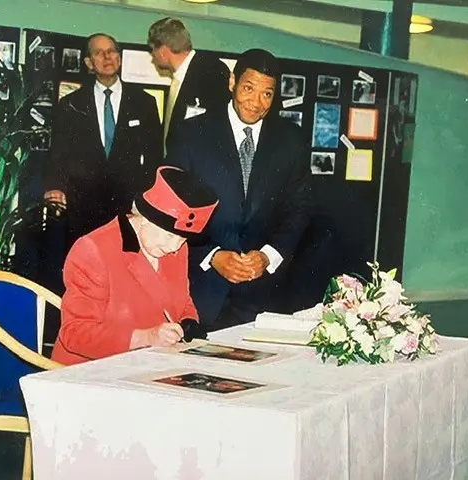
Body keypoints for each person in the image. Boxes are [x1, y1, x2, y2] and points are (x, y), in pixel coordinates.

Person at [165, 48, 312, 331]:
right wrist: (212, 255)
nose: (256, 103)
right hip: (200, 288)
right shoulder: (190, 134)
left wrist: (269, 255)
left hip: (264, 295)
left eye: (267, 94)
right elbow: (173, 208)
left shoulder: (290, 140)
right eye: (248, 88)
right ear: (232, 82)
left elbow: (300, 208)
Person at [52, 166, 219, 365]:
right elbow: (75, 334)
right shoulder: (93, 249)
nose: (175, 247)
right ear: (144, 218)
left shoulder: (174, 247)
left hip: (150, 365)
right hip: (91, 372)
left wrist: (188, 323)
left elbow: (182, 302)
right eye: (170, 235)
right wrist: (145, 338)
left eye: (183, 239)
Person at [44, 33, 162, 255]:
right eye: (99, 53)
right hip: (83, 206)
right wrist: (55, 186)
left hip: (128, 207)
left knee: (124, 269)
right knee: (85, 267)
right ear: (89, 62)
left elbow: (154, 156)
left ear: (119, 57)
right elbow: (58, 153)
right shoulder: (71, 104)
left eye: (112, 51)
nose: (107, 57)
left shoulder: (144, 102)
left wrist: (146, 201)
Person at [147, 17, 230, 154]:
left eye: (152, 50)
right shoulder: (179, 78)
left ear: (162, 50)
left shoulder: (212, 70)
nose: (152, 57)